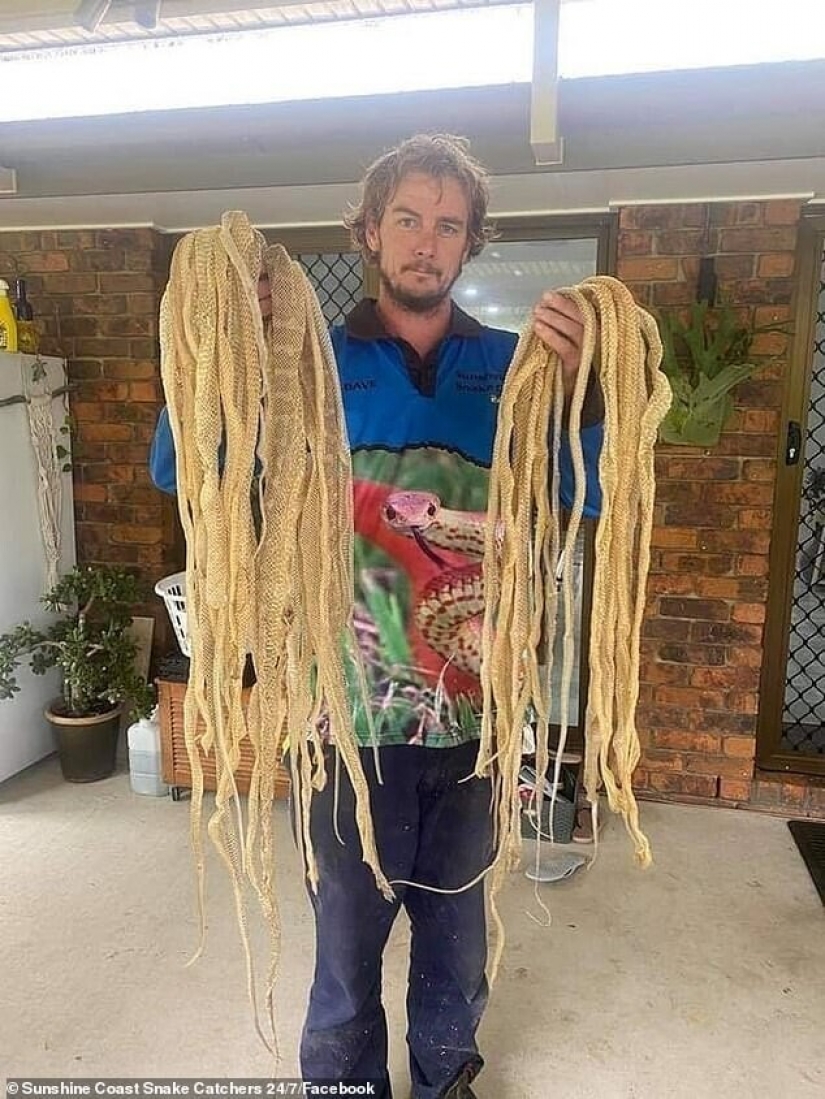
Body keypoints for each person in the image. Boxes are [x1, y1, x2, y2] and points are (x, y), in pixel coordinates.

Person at [150, 133, 603, 1099]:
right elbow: (180, 469)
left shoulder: (515, 367)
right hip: (342, 719)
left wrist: (589, 389)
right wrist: (227, 340)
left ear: (471, 242)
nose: (425, 242)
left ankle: (446, 1077)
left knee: (456, 930)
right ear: (368, 230)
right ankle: (344, 1085)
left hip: (476, 715)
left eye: (448, 224)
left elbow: (586, 489)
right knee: (347, 944)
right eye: (407, 218)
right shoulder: (304, 365)